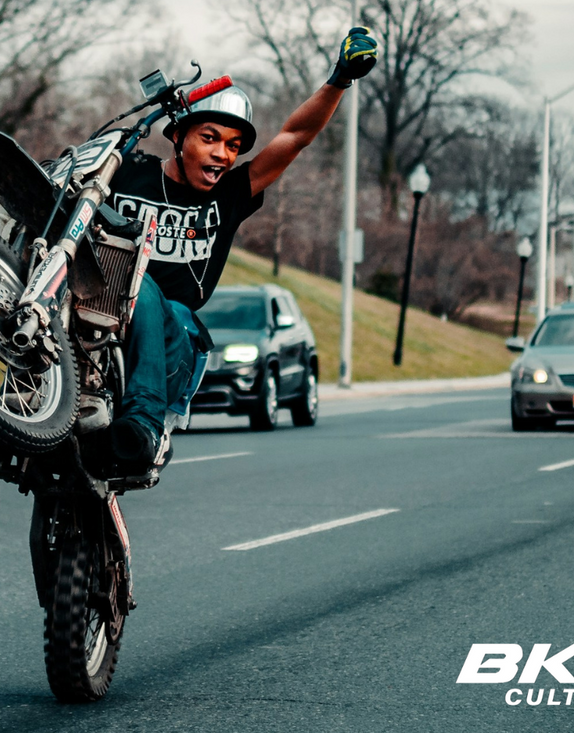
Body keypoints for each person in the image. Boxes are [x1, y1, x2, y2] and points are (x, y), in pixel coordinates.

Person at [103, 27, 378, 471]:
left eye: (233, 146)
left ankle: (145, 423)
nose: (223, 155)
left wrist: (340, 79)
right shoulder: (129, 171)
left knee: (151, 289)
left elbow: (295, 137)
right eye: (209, 138)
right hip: (103, 312)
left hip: (173, 334)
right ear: (178, 137)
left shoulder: (229, 193)